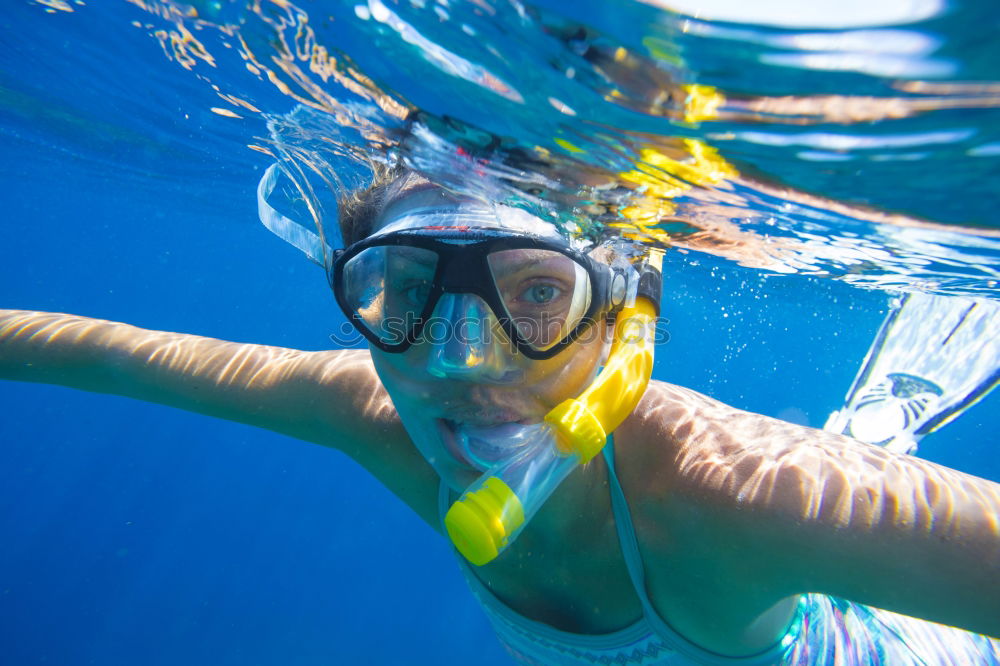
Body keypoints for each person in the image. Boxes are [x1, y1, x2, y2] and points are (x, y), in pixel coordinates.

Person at [1, 165, 999, 666]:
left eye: (533, 294)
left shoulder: (724, 493)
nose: (457, 361)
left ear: (623, 328)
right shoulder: (372, 411)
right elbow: (103, 353)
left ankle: (870, 436)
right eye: (403, 291)